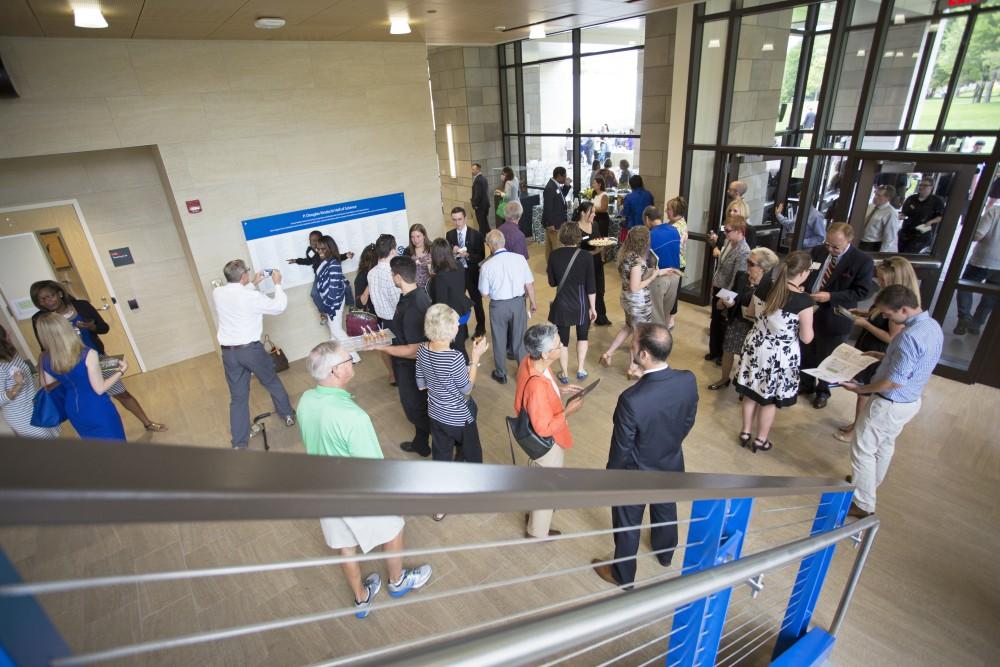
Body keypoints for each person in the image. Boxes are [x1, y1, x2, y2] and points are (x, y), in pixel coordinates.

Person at [297, 341, 432, 618]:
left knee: (346, 545)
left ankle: (361, 599)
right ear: (335, 371)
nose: (352, 363)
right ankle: (396, 582)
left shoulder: (305, 401)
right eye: (349, 360)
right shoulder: (353, 417)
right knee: (393, 527)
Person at [592, 324, 697, 588]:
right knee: (665, 507)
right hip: (671, 461)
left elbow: (621, 449)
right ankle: (665, 552)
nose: (631, 346)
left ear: (645, 355)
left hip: (637, 473)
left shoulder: (631, 399)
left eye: (634, 345)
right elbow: (688, 420)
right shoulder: (688, 379)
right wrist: (670, 443)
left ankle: (623, 575)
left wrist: (611, 478)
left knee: (627, 523)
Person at [841, 285, 943, 519]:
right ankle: (869, 484)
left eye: (888, 313)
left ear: (904, 309)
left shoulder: (909, 336)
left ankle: (863, 503)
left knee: (862, 448)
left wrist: (862, 389)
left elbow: (894, 382)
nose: (885, 317)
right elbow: (914, 362)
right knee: (884, 445)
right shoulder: (932, 326)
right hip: (910, 401)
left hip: (889, 402)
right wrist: (884, 357)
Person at [29, 281, 166, 433]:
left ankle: (147, 423)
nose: (47, 301)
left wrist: (92, 327)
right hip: (70, 366)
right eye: (41, 299)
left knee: (122, 393)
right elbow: (45, 347)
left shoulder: (82, 306)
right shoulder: (41, 319)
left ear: (60, 293)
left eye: (50, 296)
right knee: (86, 401)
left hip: (98, 358)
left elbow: (104, 328)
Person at [733, 252, 815, 453]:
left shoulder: (764, 286)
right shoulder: (804, 301)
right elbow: (807, 338)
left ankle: (745, 432)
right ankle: (761, 440)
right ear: (803, 273)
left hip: (756, 345)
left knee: (751, 392)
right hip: (779, 355)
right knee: (768, 400)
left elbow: (751, 313)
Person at [833, 256, 920, 442]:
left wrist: (865, 324)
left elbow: (891, 337)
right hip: (869, 345)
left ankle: (857, 429)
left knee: (864, 391)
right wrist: (866, 314)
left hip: (878, 348)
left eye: (882, 280)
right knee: (863, 390)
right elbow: (880, 317)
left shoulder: (897, 307)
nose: (879, 283)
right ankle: (857, 424)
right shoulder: (890, 299)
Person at [212, 261, 296, 448]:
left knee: (238, 398)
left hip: (229, 354)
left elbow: (237, 295)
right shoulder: (252, 297)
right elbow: (279, 307)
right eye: (247, 273)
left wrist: (253, 282)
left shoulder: (218, 293)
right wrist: (277, 283)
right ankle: (287, 414)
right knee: (271, 381)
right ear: (243, 276)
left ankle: (239, 443)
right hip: (251, 351)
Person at [515, 323, 586, 539]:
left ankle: (535, 514)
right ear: (546, 353)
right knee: (547, 488)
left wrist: (559, 389)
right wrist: (568, 412)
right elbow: (543, 428)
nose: (562, 346)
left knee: (539, 480)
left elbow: (542, 384)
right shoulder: (536, 386)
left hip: (540, 436)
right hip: (547, 445)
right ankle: (537, 532)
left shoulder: (531, 362)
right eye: (558, 345)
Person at [800, 223, 876, 409]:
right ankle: (805, 384)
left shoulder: (862, 261)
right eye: (828, 244)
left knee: (829, 357)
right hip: (810, 310)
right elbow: (809, 273)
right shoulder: (818, 251)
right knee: (807, 349)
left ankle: (823, 391)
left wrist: (831, 297)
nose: (831, 249)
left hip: (835, 316)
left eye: (836, 247)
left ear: (849, 241)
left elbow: (863, 292)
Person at [417, 304, 489, 469]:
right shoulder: (454, 357)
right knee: (474, 456)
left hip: (435, 413)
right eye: (456, 323)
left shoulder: (422, 350)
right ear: (447, 330)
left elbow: (421, 385)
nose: (459, 325)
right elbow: (467, 389)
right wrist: (475, 359)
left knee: (441, 455)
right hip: (458, 416)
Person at [36, 313, 126, 441]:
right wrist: (121, 371)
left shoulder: (44, 358)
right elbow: (100, 389)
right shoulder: (88, 354)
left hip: (73, 408)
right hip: (97, 407)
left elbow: (47, 385)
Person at [600, 226, 672, 377]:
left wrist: (658, 272)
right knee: (638, 336)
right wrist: (652, 278)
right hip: (638, 303)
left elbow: (632, 281)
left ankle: (608, 353)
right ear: (644, 242)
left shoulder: (625, 255)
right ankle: (633, 367)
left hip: (626, 299)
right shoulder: (637, 262)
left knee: (628, 327)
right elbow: (635, 286)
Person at [381, 256, 432, 458]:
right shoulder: (413, 295)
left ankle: (446, 439)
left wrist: (384, 348)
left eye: (392, 275)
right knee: (418, 406)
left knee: (414, 408)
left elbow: (414, 349)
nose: (392, 278)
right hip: (407, 365)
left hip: (413, 368)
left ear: (399, 277)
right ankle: (421, 443)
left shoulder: (413, 307)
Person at [709, 247, 779, 390]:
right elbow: (734, 296)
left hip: (755, 326)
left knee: (747, 356)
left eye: (751, 263)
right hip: (737, 320)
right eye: (747, 261)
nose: (747, 264)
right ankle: (724, 379)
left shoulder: (771, 285)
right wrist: (727, 302)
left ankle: (744, 385)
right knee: (728, 350)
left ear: (763, 268)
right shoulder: (741, 276)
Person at [479, 229, 537, 384]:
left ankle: (501, 373)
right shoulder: (520, 259)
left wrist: (495, 298)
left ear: (490, 246)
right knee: (520, 339)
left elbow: (484, 292)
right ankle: (524, 372)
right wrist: (533, 302)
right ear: (503, 242)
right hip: (518, 303)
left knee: (499, 339)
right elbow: (529, 284)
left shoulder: (486, 266)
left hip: (498, 306)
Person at [547, 221, 597, 382]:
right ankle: (581, 369)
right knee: (583, 337)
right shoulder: (586, 256)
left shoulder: (554, 255)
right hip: (582, 303)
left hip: (562, 303)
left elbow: (552, 282)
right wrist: (593, 308)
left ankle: (565, 373)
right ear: (578, 236)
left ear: (561, 236)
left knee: (563, 340)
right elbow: (591, 286)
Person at [1, 324, 59, 438]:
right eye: (6, 334)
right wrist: (18, 385)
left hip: (38, 407)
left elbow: (28, 374)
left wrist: (43, 361)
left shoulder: (12, 352)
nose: (9, 333)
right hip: (23, 417)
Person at [706, 217, 751, 365]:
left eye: (728, 231)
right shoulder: (728, 242)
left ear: (739, 232)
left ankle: (721, 355)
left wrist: (724, 297)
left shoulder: (744, 251)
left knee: (723, 324)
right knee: (715, 321)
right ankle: (714, 351)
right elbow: (721, 266)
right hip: (719, 285)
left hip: (728, 291)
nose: (725, 233)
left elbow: (736, 278)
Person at [287, 229, 353, 325]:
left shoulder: (326, 248)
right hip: (319, 275)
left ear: (321, 240)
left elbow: (336, 256)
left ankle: (351, 304)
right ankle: (323, 313)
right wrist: (296, 260)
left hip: (331, 272)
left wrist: (346, 255)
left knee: (346, 286)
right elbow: (308, 261)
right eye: (311, 240)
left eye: (315, 240)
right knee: (314, 293)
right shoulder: (310, 251)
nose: (313, 243)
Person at [955, 204, 1000, 335]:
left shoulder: (995, 211)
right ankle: (976, 325)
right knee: (990, 296)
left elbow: (978, 235)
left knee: (965, 286)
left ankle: (964, 317)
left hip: (983, 259)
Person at [315, 235, 361, 364]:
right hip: (330, 301)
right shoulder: (328, 262)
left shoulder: (334, 263)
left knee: (336, 330)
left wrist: (329, 304)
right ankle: (335, 356)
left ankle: (354, 356)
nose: (319, 252)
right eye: (318, 249)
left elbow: (334, 285)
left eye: (322, 249)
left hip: (334, 302)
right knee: (333, 329)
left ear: (329, 248)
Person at [427, 238, 472, 361]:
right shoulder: (459, 266)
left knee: (455, 348)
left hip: (450, 317)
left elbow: (441, 304)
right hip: (462, 310)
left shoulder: (440, 277)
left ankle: (465, 375)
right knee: (460, 345)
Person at [446, 207, 487, 338]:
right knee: (458, 302)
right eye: (454, 220)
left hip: (472, 273)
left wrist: (468, 255)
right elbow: (447, 256)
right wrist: (452, 252)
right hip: (458, 274)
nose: (457, 223)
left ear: (465, 218)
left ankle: (481, 328)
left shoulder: (476, 235)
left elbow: (481, 257)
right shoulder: (450, 235)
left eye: (460, 219)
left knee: (476, 302)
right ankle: (462, 330)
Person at [368, 234, 401, 384]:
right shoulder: (392, 273)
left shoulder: (371, 272)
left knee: (389, 350)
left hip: (382, 320)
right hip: (397, 319)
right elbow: (398, 301)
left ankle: (394, 376)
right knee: (403, 353)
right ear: (393, 250)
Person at [645, 206, 682, 331]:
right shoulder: (674, 230)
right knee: (666, 314)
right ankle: (664, 340)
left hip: (659, 278)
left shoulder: (650, 235)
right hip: (675, 276)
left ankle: (655, 345)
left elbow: (646, 261)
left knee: (656, 316)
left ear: (647, 219)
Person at [578, 201, 611, 326]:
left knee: (600, 289)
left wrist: (602, 248)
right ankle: (585, 316)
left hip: (596, 263)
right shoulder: (576, 228)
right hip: (583, 264)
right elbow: (575, 250)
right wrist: (593, 252)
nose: (594, 215)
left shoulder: (595, 225)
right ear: (582, 213)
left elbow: (599, 240)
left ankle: (601, 316)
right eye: (591, 212)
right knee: (587, 290)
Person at [898, 178, 945, 254]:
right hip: (906, 232)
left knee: (909, 254)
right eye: (920, 185)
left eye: (925, 185)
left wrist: (931, 222)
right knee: (900, 254)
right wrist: (901, 216)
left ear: (931, 187)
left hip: (922, 234)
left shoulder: (937, 201)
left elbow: (940, 216)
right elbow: (904, 213)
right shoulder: (911, 199)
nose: (921, 187)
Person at [665, 196, 689, 330]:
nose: (665, 211)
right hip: (676, 262)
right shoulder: (675, 224)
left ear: (675, 211)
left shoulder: (676, 228)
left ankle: (671, 318)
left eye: (668, 209)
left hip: (675, 264)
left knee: (672, 293)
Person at [542, 167, 573, 260]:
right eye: (565, 176)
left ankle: (552, 266)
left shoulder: (555, 185)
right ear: (559, 176)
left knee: (551, 247)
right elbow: (548, 207)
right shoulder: (550, 187)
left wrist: (567, 185)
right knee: (556, 247)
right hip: (554, 224)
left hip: (557, 222)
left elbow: (561, 196)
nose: (566, 178)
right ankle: (556, 267)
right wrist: (550, 224)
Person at [860, 186, 900, 253]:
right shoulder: (870, 206)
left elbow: (889, 237)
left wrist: (881, 253)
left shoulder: (891, 213)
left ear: (887, 198)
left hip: (872, 245)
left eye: (879, 195)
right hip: (859, 240)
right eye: (875, 193)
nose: (875, 197)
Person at [621, 175, 654, 239]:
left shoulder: (628, 197)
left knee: (634, 247)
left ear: (631, 185)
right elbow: (652, 209)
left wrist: (621, 209)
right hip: (647, 227)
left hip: (634, 228)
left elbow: (626, 213)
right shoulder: (649, 194)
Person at [352, 243, 378, 315]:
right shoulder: (362, 276)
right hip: (374, 315)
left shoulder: (386, 270)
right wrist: (370, 285)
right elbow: (359, 304)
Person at [406, 224, 433, 290]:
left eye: (418, 236)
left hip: (432, 286)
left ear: (424, 236)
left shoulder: (432, 247)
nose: (415, 240)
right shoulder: (407, 251)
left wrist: (432, 263)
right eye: (412, 237)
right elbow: (404, 271)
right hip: (415, 289)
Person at [471, 162, 492, 233]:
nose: (472, 171)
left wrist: (475, 205)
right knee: (484, 222)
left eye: (474, 169)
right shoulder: (483, 178)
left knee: (482, 224)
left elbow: (478, 194)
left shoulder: (478, 180)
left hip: (480, 206)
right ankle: (489, 235)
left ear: (478, 170)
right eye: (472, 169)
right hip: (485, 205)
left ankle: (481, 240)